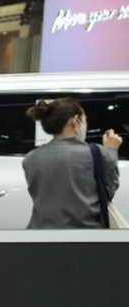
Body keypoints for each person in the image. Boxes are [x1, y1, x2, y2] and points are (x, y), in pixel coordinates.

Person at [23, 98, 122, 229]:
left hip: (40, 233)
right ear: (75, 122)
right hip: (85, 234)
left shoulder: (30, 158)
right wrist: (111, 150)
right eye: (85, 120)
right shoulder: (96, 153)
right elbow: (108, 193)